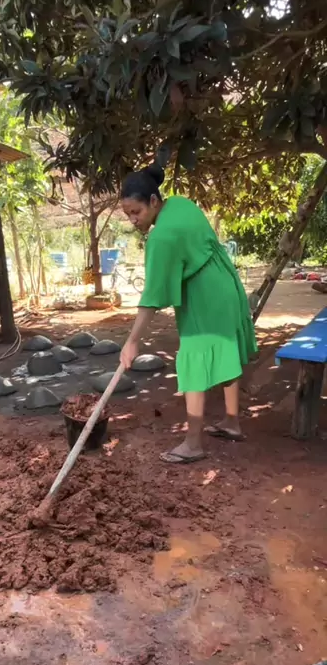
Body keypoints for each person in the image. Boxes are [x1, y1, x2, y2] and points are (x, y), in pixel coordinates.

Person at [120, 164, 257, 464]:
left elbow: (152, 297)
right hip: (225, 284)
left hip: (204, 296)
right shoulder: (180, 204)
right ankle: (231, 422)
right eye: (127, 214)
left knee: (193, 361)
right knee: (225, 351)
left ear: (153, 201)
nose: (133, 220)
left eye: (136, 212)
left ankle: (193, 444)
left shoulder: (161, 237)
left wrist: (132, 341)